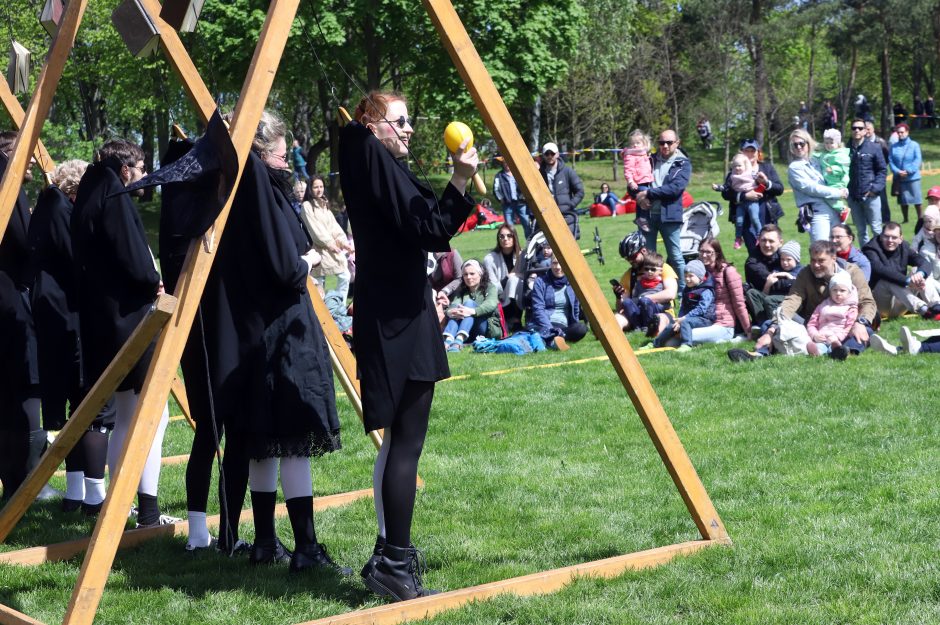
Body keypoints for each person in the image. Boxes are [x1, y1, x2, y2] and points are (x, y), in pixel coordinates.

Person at [339, 91, 478, 600]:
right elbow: (433, 229)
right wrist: (461, 177)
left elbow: (423, 224)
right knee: (406, 443)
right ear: (375, 125)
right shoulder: (371, 157)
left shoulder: (372, 163)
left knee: (399, 442)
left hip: (397, 312)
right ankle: (394, 562)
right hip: (399, 319)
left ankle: (388, 551)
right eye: (401, 122)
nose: (411, 129)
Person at [70, 140, 173, 523]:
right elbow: (131, 254)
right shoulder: (113, 192)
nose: (145, 175)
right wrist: (154, 283)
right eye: (142, 167)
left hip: (102, 321)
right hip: (128, 318)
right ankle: (147, 508)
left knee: (128, 415)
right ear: (125, 167)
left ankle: (118, 504)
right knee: (152, 414)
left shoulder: (89, 192)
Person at [28, 159, 102, 510]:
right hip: (65, 311)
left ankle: (74, 493)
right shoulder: (58, 207)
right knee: (87, 404)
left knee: (74, 406)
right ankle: (92, 494)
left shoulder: (45, 204)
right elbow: (76, 259)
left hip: (49, 309)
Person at [728, 240, 877, 362]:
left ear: (833, 258)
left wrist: (860, 322)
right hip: (812, 325)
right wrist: (772, 329)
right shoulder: (806, 273)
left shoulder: (852, 272)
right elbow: (792, 300)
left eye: (821, 261)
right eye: (813, 260)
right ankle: (760, 354)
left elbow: (867, 301)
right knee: (771, 323)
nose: (816, 265)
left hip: (845, 323)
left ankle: (845, 352)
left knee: (865, 330)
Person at [0, 133, 45, 501]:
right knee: (22, 385)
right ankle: (26, 481)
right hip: (8, 294)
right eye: (24, 154)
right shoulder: (7, 180)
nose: (31, 160)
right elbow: (21, 236)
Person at [634, 129, 691, 291]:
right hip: (646, 217)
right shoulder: (648, 160)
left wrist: (649, 193)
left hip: (670, 216)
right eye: (661, 142)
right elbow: (634, 182)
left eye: (669, 142)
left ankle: (681, 292)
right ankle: (651, 290)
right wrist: (639, 196)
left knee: (675, 256)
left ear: (677, 143)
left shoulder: (683, 163)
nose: (664, 146)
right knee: (648, 258)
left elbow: (675, 188)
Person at [719, 139, 785, 254]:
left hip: (767, 215)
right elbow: (726, 193)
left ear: (757, 152)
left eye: (752, 151)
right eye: (746, 151)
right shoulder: (735, 171)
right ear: (741, 153)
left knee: (773, 251)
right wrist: (744, 196)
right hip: (746, 219)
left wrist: (766, 182)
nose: (749, 154)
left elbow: (779, 189)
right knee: (754, 252)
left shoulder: (767, 168)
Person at [862, 221, 940, 318]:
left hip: (902, 301)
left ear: (900, 239)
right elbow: (879, 269)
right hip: (881, 306)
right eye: (886, 236)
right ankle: (924, 310)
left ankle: (936, 307)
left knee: (918, 272)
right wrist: (908, 281)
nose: (890, 240)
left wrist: (920, 275)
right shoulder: (870, 249)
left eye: (894, 237)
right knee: (888, 280)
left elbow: (924, 262)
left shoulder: (904, 247)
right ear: (881, 237)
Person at [786, 129, 848, 242]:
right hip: (818, 212)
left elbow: (833, 175)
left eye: (802, 143)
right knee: (821, 250)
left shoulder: (816, 160)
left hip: (834, 207)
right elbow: (812, 188)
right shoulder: (794, 167)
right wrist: (837, 193)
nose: (799, 147)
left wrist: (843, 186)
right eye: (795, 145)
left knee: (839, 248)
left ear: (808, 144)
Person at [300, 175, 353, 303]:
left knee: (344, 276)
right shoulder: (307, 206)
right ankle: (325, 313)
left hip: (331, 251)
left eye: (321, 186)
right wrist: (329, 243)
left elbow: (334, 227)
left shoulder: (324, 205)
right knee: (319, 285)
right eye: (316, 187)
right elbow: (315, 229)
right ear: (310, 189)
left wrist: (344, 243)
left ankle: (337, 307)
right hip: (318, 251)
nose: (319, 189)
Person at [612, 230, 678, 333]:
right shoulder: (628, 275)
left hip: (662, 312)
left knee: (659, 319)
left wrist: (643, 299)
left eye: (632, 257)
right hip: (636, 315)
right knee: (617, 318)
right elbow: (621, 307)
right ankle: (611, 337)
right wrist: (618, 297)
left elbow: (670, 294)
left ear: (643, 251)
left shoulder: (663, 268)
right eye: (627, 258)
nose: (630, 261)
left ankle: (654, 336)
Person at [692, 239, 750, 344]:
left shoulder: (728, 272)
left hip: (723, 324)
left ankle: (732, 337)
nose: (704, 255)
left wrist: (748, 330)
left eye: (708, 252)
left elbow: (739, 303)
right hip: (703, 320)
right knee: (672, 338)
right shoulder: (696, 272)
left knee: (686, 334)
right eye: (701, 251)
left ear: (717, 254)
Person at [648, 260, 715, 352]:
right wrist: (678, 320)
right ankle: (655, 343)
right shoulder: (687, 289)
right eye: (686, 276)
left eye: (691, 276)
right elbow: (683, 306)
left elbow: (701, 309)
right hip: (689, 318)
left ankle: (686, 344)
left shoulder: (706, 291)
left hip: (705, 319)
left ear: (700, 277)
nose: (687, 279)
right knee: (671, 325)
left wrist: (684, 319)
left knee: (685, 322)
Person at [528, 256, 587, 350]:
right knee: (539, 330)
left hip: (563, 326)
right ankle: (554, 339)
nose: (558, 267)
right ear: (550, 264)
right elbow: (538, 309)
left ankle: (554, 338)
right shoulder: (540, 282)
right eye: (554, 263)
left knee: (581, 328)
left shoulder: (573, 283)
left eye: (561, 264)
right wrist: (550, 328)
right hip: (544, 323)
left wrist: (574, 325)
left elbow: (575, 308)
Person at [441, 259, 501, 351]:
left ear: (480, 274)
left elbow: (491, 304)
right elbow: (454, 304)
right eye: (465, 274)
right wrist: (450, 312)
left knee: (469, 304)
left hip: (485, 329)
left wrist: (472, 311)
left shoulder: (490, 287)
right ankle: (449, 340)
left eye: (472, 274)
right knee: (456, 310)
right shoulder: (461, 290)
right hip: (468, 331)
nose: (468, 277)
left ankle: (458, 340)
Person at [847, 119, 887, 244]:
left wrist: (874, 190)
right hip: (853, 197)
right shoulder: (845, 149)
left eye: (860, 128)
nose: (857, 130)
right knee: (860, 230)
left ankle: (882, 256)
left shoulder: (874, 147)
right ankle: (866, 256)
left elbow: (882, 170)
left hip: (870, 195)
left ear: (865, 131)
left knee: (876, 228)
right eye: (854, 128)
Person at [743, 225, 791, 326]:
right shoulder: (752, 262)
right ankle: (764, 325)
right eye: (763, 240)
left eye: (771, 241)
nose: (767, 244)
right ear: (758, 240)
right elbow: (774, 283)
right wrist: (792, 281)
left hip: (786, 301)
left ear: (780, 242)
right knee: (751, 292)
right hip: (764, 303)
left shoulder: (787, 256)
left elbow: (799, 270)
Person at [483, 224, 527, 330]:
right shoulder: (489, 259)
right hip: (499, 297)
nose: (505, 239)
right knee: (513, 280)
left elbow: (527, 277)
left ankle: (516, 319)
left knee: (515, 280)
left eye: (509, 236)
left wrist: (516, 276)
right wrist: (508, 278)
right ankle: (507, 319)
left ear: (514, 237)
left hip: (519, 296)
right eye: (501, 236)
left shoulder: (522, 256)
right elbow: (493, 287)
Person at [805, 272, 858, 356]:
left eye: (842, 290)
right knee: (820, 346)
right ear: (830, 291)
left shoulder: (851, 308)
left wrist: (838, 337)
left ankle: (836, 350)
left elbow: (849, 326)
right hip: (822, 335)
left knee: (835, 345)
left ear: (849, 292)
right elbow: (812, 323)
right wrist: (815, 335)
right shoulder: (823, 305)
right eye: (835, 290)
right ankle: (816, 351)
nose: (838, 293)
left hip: (838, 337)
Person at [539, 142, 584, 239]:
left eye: (552, 153)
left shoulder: (567, 171)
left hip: (567, 216)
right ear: (543, 155)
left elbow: (580, 191)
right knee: (548, 250)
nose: (550, 156)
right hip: (548, 216)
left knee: (570, 249)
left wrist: (570, 205)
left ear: (557, 154)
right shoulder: (539, 174)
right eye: (547, 154)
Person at [720, 153, 763, 249]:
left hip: (752, 201)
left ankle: (760, 236)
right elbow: (726, 188)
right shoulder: (732, 176)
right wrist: (719, 187)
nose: (737, 168)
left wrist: (760, 187)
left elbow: (761, 182)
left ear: (745, 165)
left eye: (739, 166)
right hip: (740, 203)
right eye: (735, 166)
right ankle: (738, 238)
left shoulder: (751, 173)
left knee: (754, 218)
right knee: (739, 221)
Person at [888, 123, 923, 224]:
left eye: (902, 132)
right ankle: (905, 219)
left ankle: (920, 218)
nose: (900, 134)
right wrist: (897, 171)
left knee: (917, 200)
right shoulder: (893, 147)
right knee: (903, 200)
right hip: (900, 178)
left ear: (907, 132)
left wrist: (908, 171)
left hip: (913, 178)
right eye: (898, 132)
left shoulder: (914, 145)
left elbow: (917, 160)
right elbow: (890, 161)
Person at [493, 154, 533, 239]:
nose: (507, 165)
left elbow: (526, 186)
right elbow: (496, 189)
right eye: (505, 163)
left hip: (521, 203)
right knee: (509, 227)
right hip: (507, 204)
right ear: (503, 164)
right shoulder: (499, 176)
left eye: (508, 163)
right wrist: (501, 199)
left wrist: (524, 196)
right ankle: (513, 245)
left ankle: (530, 242)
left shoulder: (519, 173)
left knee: (526, 223)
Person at [817, 129, 851, 222]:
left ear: (838, 144)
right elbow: (817, 155)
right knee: (829, 197)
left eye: (831, 143)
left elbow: (845, 167)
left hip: (838, 181)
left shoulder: (840, 154)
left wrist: (833, 169)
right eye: (826, 143)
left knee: (829, 197)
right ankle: (838, 212)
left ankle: (843, 209)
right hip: (829, 181)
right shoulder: (825, 153)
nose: (828, 145)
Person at [622, 129, 653, 194]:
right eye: (632, 143)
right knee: (646, 198)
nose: (635, 145)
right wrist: (631, 181)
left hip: (647, 181)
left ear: (644, 144)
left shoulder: (644, 153)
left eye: (638, 143)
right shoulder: (630, 155)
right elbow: (628, 170)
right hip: (637, 184)